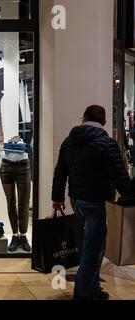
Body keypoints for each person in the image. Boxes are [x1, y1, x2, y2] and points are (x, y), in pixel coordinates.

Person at [52, 105, 132, 300]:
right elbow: (119, 177)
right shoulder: (106, 143)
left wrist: (57, 198)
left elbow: (60, 171)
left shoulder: (69, 141)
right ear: (104, 122)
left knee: (92, 245)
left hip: (76, 199)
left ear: (84, 117)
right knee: (93, 248)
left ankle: (93, 286)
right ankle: (83, 292)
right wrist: (129, 196)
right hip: (96, 201)